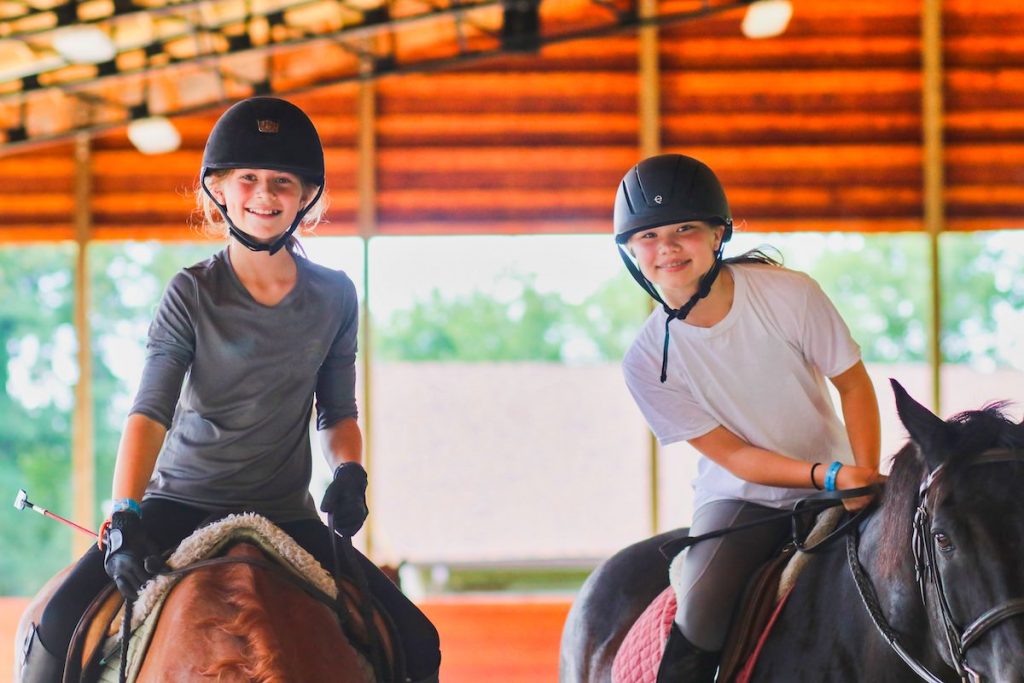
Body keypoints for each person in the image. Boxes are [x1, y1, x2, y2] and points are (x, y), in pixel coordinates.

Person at [22, 97, 440, 683]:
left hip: (285, 514)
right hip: (178, 507)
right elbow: (149, 413)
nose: (264, 195)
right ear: (218, 189)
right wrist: (123, 513)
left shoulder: (336, 296)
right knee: (53, 632)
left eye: (281, 182)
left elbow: (337, 410)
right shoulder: (190, 293)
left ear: (305, 196)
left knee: (418, 644)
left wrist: (349, 472)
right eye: (248, 178)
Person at [613, 154, 882, 682]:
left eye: (684, 229)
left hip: (842, 481)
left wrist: (862, 475)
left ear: (718, 235)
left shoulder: (790, 294)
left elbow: (853, 383)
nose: (666, 247)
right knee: (703, 608)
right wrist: (830, 474)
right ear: (629, 251)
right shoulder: (645, 363)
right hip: (740, 498)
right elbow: (734, 456)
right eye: (648, 236)